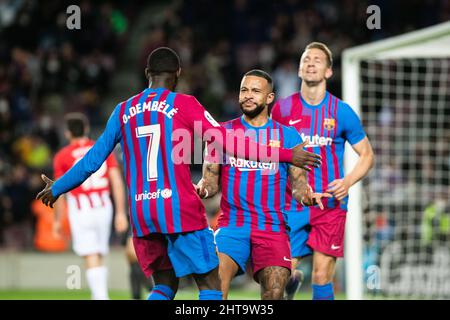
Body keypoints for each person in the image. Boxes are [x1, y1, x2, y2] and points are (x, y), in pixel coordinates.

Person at [37, 47, 321, 301]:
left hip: (142, 213)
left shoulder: (122, 110)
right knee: (210, 284)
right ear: (178, 74)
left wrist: (58, 187)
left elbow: (92, 160)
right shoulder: (184, 104)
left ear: (148, 73)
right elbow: (230, 143)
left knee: (163, 285)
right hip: (177, 208)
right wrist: (287, 154)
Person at [196, 69, 330, 300]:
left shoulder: (289, 137)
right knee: (215, 284)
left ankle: (286, 287)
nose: (248, 95)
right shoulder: (222, 133)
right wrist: (202, 189)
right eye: (244, 90)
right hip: (231, 226)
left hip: (272, 227)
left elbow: (298, 187)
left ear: (269, 98)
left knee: (274, 291)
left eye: (256, 91)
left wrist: (307, 197)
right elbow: (210, 182)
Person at [271, 42, 375, 300]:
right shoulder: (282, 110)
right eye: (306, 59)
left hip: (329, 204)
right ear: (299, 69)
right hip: (292, 203)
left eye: (317, 60)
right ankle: (289, 284)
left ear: (328, 71)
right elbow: (269, 153)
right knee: (277, 278)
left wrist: (348, 181)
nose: (311, 63)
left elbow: (367, 155)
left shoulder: (341, 112)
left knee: (321, 275)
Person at [52, 113, 129, 300]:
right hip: (104, 207)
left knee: (90, 254)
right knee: (99, 252)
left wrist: (57, 220)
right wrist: (120, 213)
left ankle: (100, 296)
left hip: (81, 208)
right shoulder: (100, 148)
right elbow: (116, 181)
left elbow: (59, 190)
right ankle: (100, 294)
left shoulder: (62, 156)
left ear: (68, 133)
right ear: (86, 129)